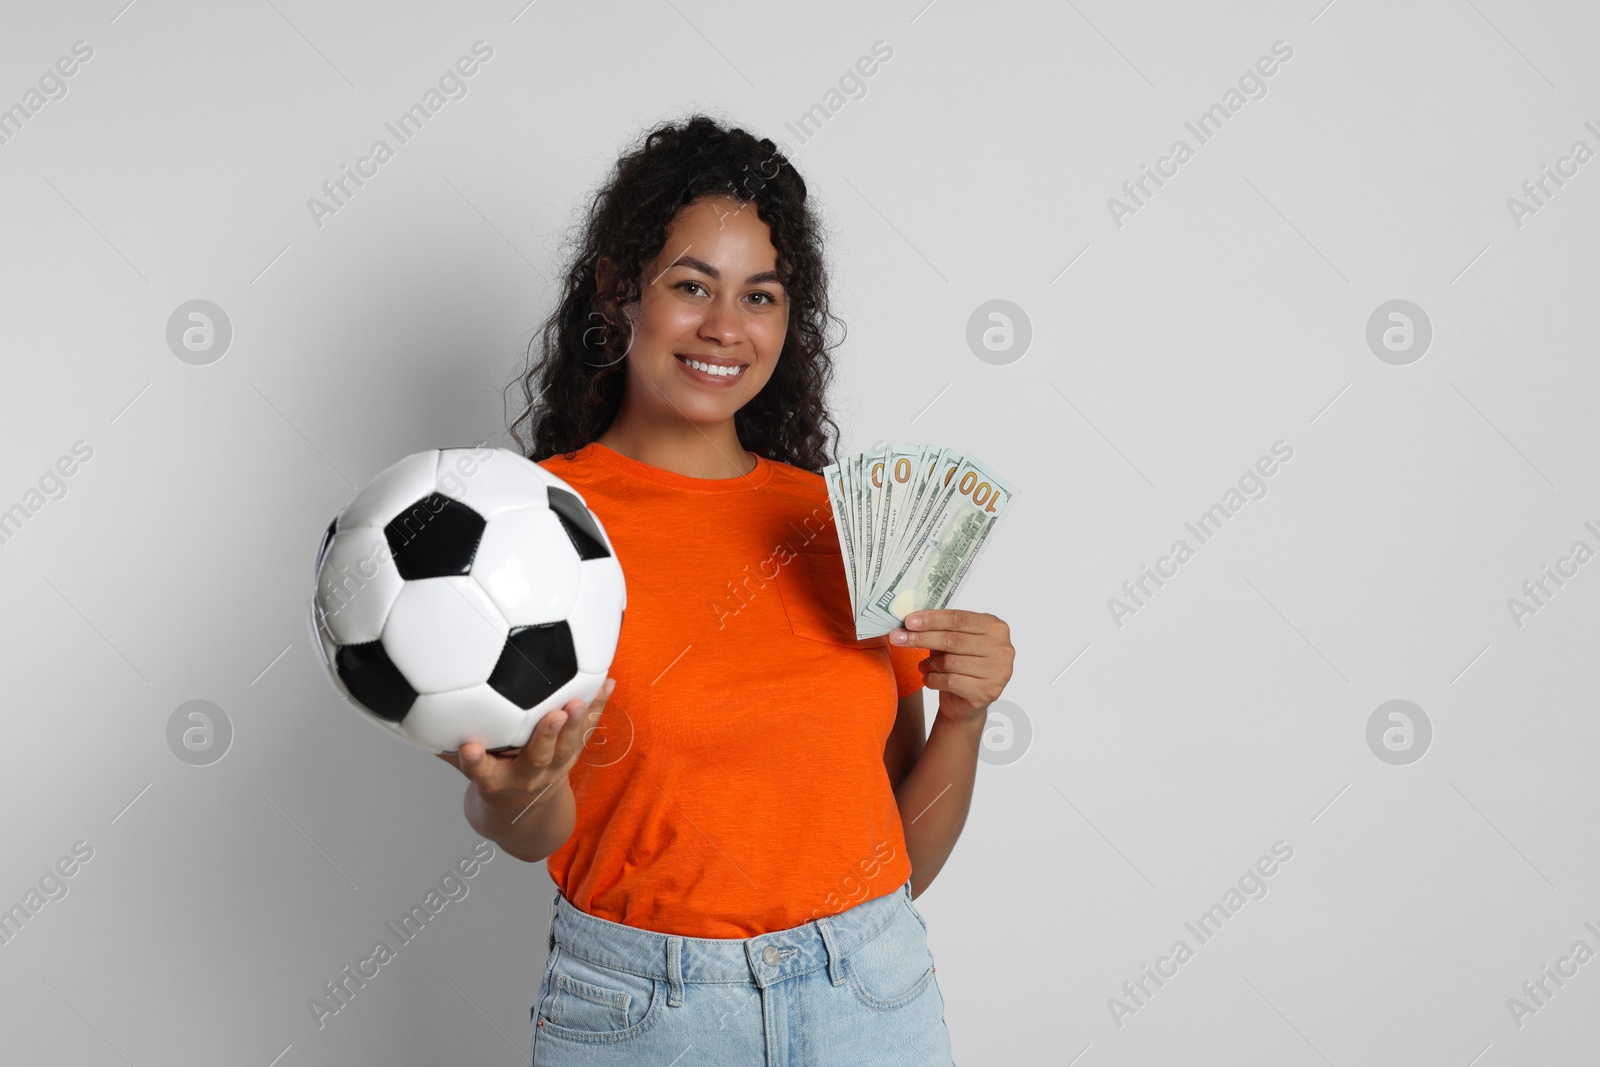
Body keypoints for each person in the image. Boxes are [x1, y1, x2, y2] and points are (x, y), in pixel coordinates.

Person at [437, 114, 1014, 1065]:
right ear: (619, 289)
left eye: (761, 295)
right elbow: (531, 820)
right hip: (641, 1014)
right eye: (691, 285)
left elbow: (901, 864)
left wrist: (965, 716)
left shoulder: (841, 525)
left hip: (873, 996)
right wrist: (511, 796)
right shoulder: (533, 528)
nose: (724, 328)